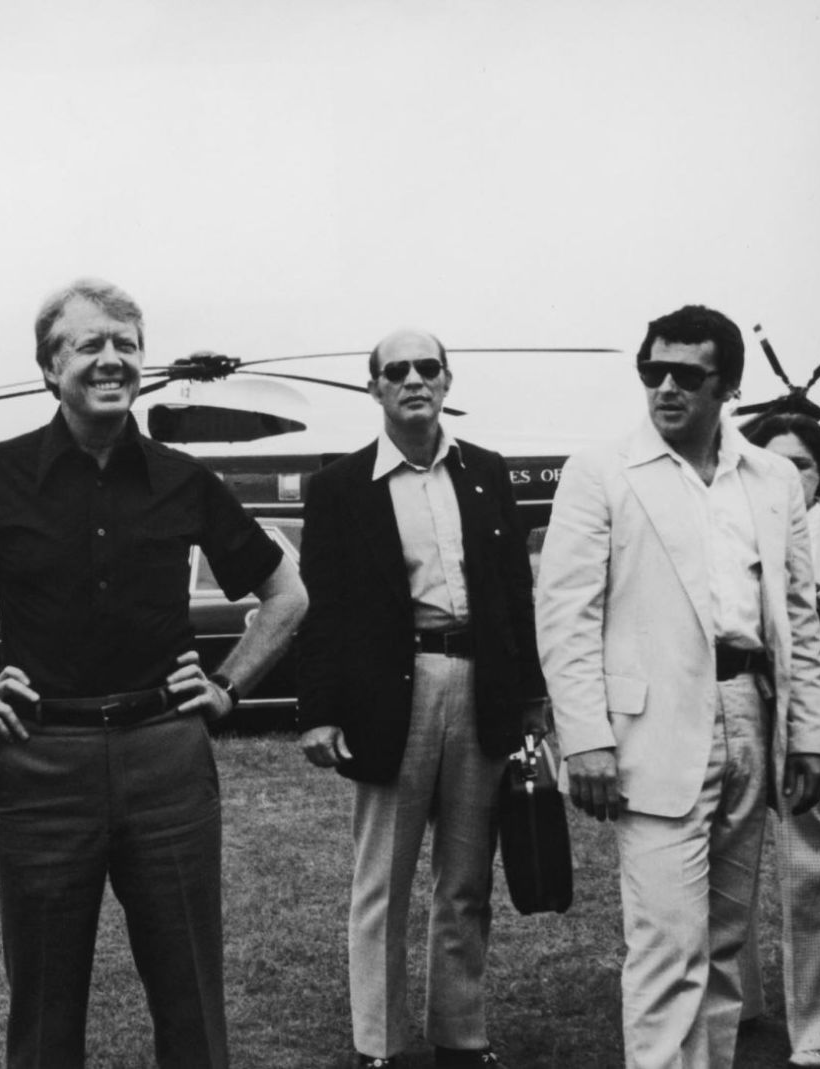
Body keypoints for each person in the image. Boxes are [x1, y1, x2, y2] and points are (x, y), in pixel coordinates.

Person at [0, 278, 308, 1069]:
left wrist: (226, 685)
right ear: (50, 368)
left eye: (126, 344)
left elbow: (287, 593)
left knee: (190, 992)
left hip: (167, 757)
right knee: (44, 1005)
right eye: (90, 345)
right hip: (43, 762)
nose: (112, 359)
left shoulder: (185, 479)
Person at [537, 305, 820, 1069]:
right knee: (667, 945)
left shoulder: (769, 480)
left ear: (726, 385)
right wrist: (587, 736)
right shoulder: (601, 471)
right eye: (652, 371)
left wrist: (807, 733)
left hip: (748, 715)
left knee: (728, 946)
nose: (665, 387)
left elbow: (799, 617)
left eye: (686, 375)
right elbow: (566, 617)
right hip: (647, 733)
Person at [295, 330, 545, 1069]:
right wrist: (319, 710)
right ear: (374, 388)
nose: (413, 379)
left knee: (466, 878)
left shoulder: (486, 472)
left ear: (446, 380)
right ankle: (381, 1042)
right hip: (389, 695)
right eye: (395, 370)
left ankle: (460, 1034)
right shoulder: (340, 488)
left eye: (426, 367)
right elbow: (323, 608)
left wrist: (531, 696)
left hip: (480, 687)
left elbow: (512, 595)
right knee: (385, 879)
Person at [739, 411, 820, 1068]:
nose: (789, 477)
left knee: (808, 876)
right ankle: (756, 1006)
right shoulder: (738, 528)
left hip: (808, 717)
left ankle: (808, 1025)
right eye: (777, 463)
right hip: (757, 715)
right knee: (753, 864)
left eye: (803, 464)